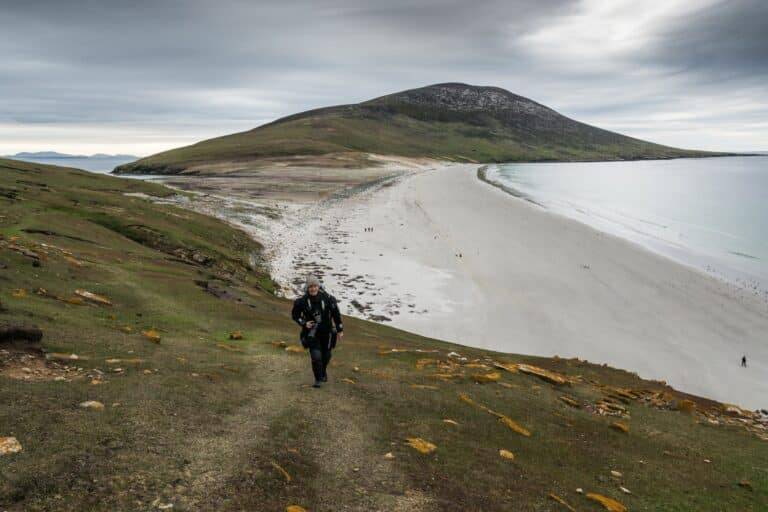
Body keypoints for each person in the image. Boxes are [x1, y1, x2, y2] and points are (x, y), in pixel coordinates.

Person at [291, 275, 344, 387]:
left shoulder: (329, 298)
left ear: (318, 286)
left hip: (327, 332)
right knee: (316, 356)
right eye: (310, 286)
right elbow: (295, 315)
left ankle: (323, 371)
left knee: (326, 355)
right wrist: (304, 323)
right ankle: (318, 379)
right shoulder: (302, 301)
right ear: (307, 287)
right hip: (311, 333)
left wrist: (340, 330)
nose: (313, 289)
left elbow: (336, 314)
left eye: (315, 286)